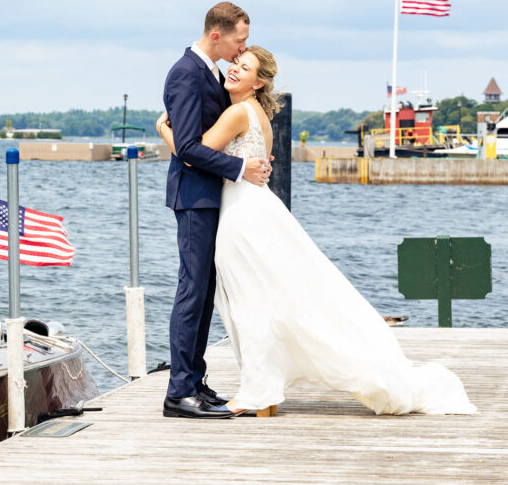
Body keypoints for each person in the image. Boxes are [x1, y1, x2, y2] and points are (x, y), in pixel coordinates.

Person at [156, 46, 476, 416]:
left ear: (259, 81)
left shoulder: (236, 112)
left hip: (241, 215)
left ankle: (259, 391)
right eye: (235, 64)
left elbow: (191, 152)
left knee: (250, 304)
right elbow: (241, 159)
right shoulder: (258, 113)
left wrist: (166, 130)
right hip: (256, 208)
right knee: (266, 299)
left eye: (244, 68)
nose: (234, 71)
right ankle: (262, 389)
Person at [160, 2, 272, 420]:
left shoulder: (209, 74)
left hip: (211, 197)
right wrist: (242, 168)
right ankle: (178, 392)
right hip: (194, 197)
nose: (242, 47)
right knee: (192, 292)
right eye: (239, 39)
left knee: (204, 294)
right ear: (216, 35)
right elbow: (189, 149)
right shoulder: (186, 73)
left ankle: (194, 381)